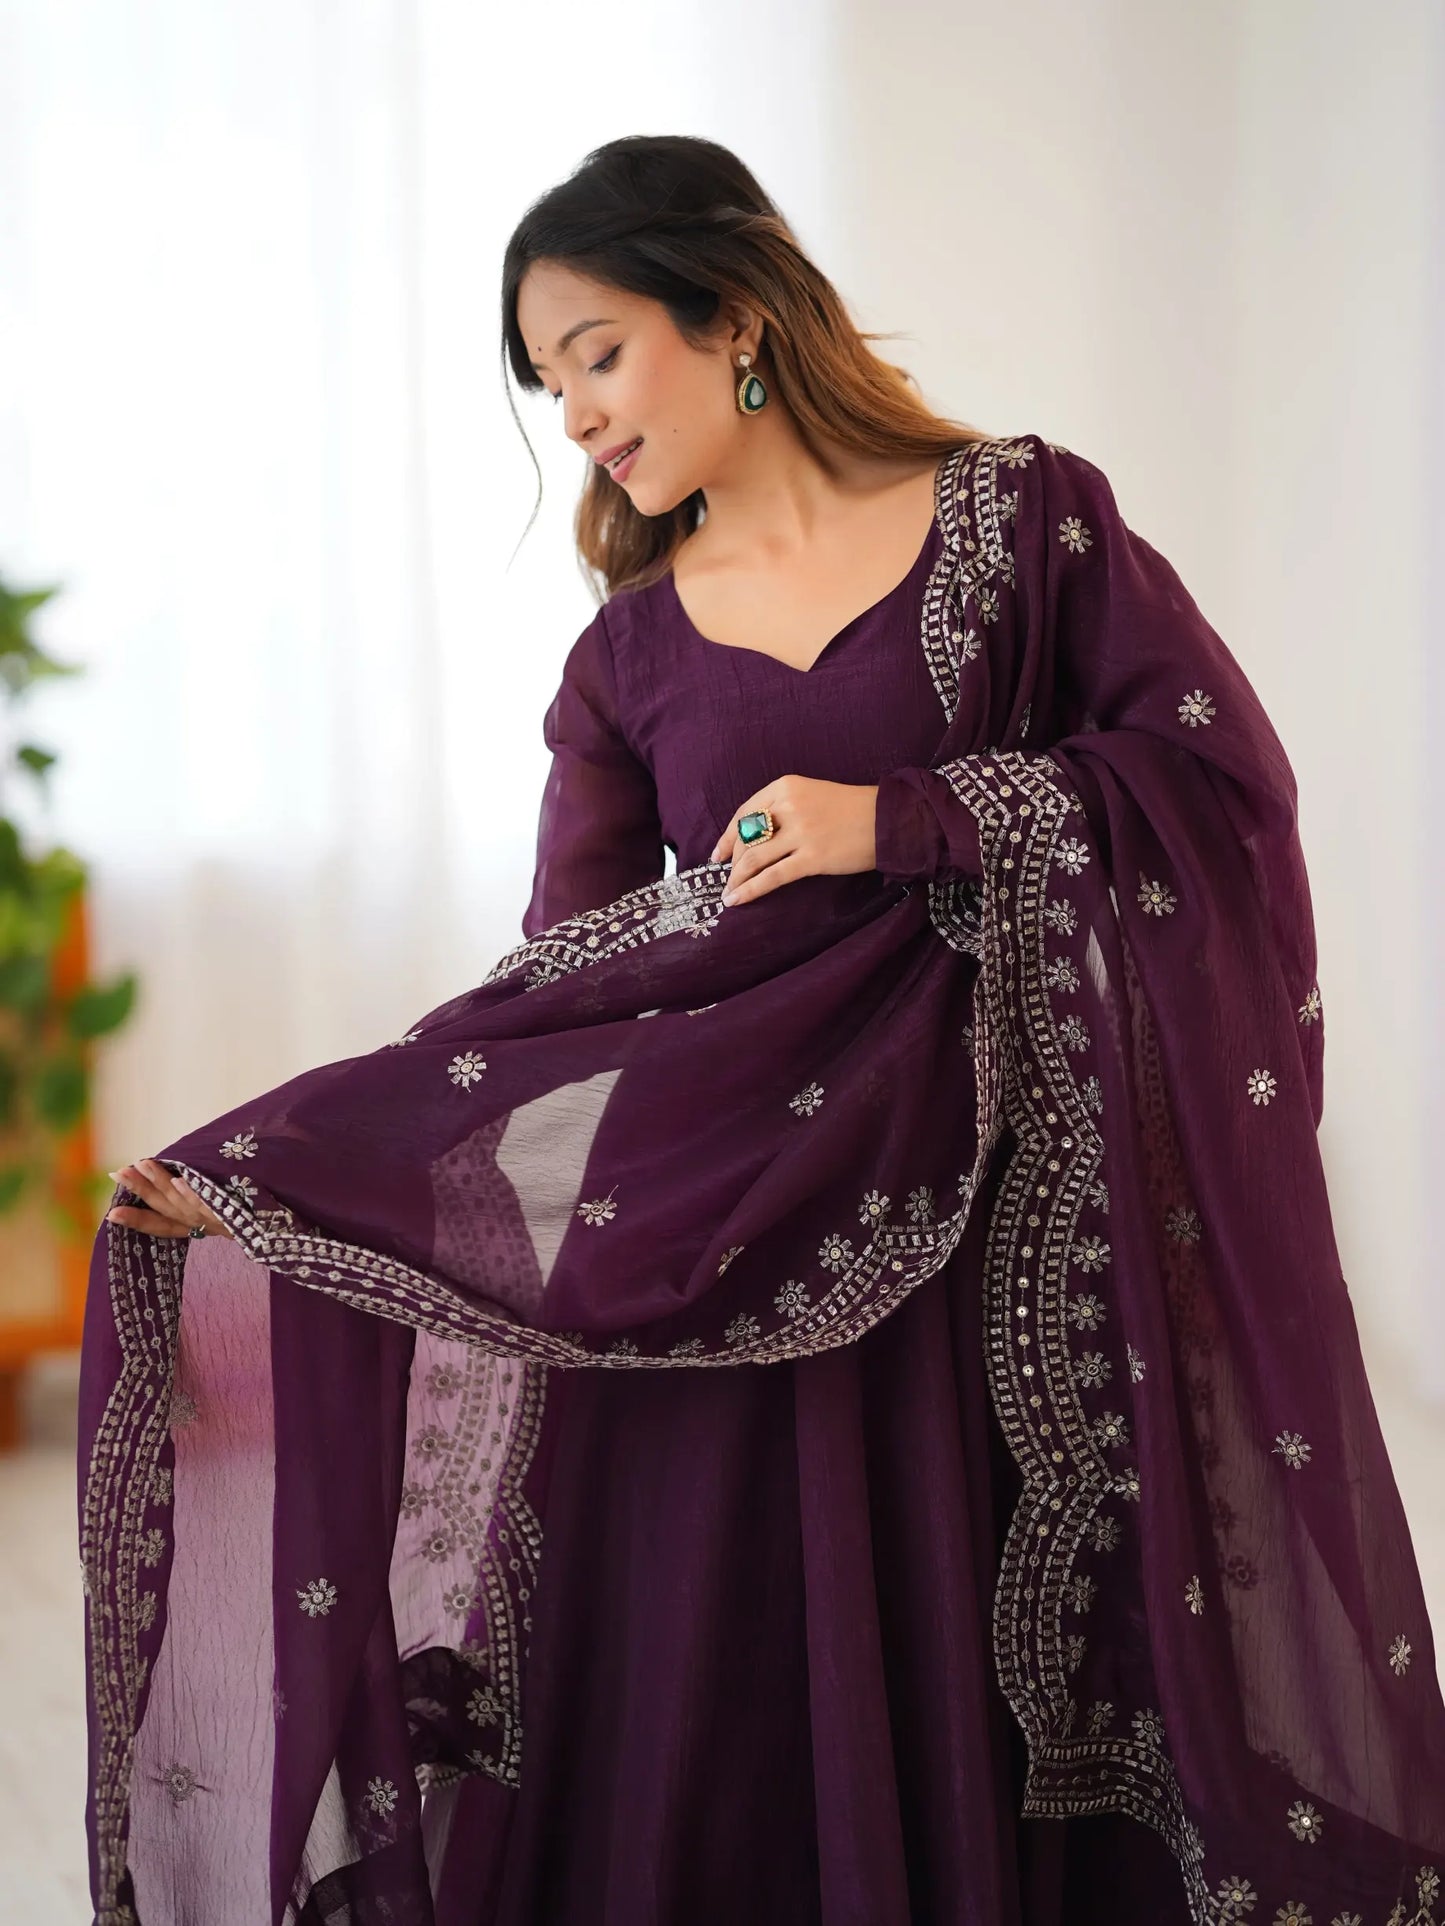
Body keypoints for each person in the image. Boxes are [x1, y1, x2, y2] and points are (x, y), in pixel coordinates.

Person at [83, 134, 1445, 1926]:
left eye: (593, 351)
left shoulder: (1025, 524)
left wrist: (913, 820)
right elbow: (558, 993)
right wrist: (276, 1172)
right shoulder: (625, 661)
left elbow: (1212, 781)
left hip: (984, 1257)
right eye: (541, 380)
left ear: (729, 316)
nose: (570, 414)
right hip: (717, 1255)